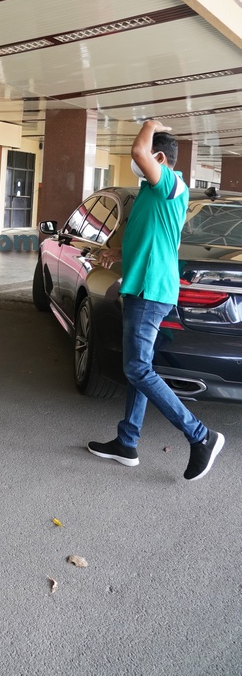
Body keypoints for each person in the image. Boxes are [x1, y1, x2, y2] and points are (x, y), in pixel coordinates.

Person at [88, 119, 224, 481]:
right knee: (140, 368)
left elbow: (138, 151)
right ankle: (126, 442)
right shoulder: (153, 192)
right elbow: (155, 240)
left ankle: (201, 436)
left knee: (137, 369)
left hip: (150, 292)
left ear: (160, 158)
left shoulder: (168, 183)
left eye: (148, 157)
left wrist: (149, 124)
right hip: (144, 288)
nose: (139, 162)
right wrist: (119, 253)